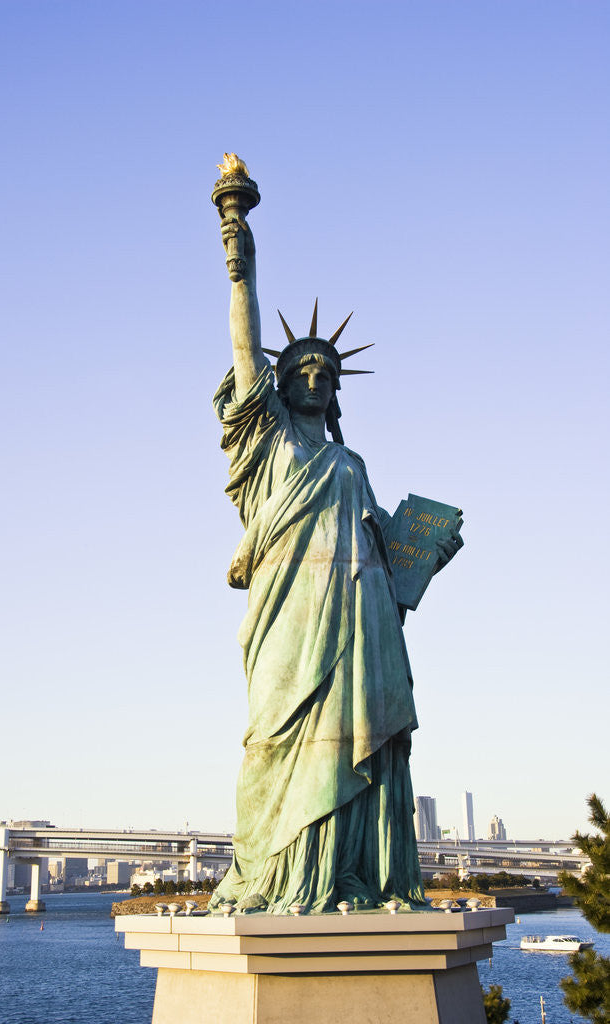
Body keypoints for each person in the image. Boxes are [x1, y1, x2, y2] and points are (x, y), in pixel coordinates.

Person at [210, 215, 461, 914]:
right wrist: (240, 254)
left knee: (361, 741)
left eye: (326, 371)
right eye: (301, 369)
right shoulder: (265, 444)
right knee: (274, 738)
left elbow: (384, 561)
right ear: (280, 385)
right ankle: (275, 875)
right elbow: (242, 348)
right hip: (287, 613)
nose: (315, 376)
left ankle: (350, 876)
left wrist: (424, 556)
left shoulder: (351, 464)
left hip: (362, 621)